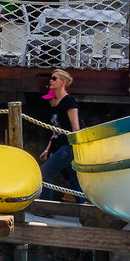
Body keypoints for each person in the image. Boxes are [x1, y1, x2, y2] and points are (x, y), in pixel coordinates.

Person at [38, 67, 81, 197]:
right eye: (51, 78)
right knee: (72, 179)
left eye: (54, 78)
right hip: (58, 145)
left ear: (63, 82)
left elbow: (75, 127)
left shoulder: (69, 101)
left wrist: (76, 149)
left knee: (45, 172)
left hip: (67, 146)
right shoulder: (56, 104)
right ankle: (82, 208)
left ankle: (46, 207)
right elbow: (55, 131)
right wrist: (48, 150)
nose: (51, 80)